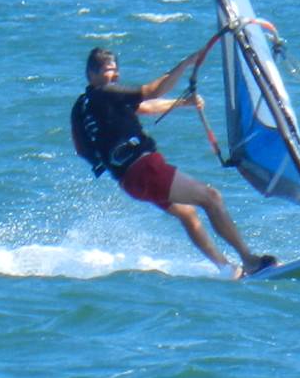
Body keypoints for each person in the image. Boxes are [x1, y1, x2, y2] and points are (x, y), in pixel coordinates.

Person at [71, 46, 275, 278]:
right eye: (108, 71)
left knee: (187, 213)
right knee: (212, 198)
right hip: (145, 169)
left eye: (116, 71)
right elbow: (153, 91)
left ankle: (227, 269)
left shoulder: (83, 106)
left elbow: (139, 110)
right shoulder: (105, 93)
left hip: (130, 181)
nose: (114, 76)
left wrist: (182, 103)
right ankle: (250, 261)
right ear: (91, 74)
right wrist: (186, 62)